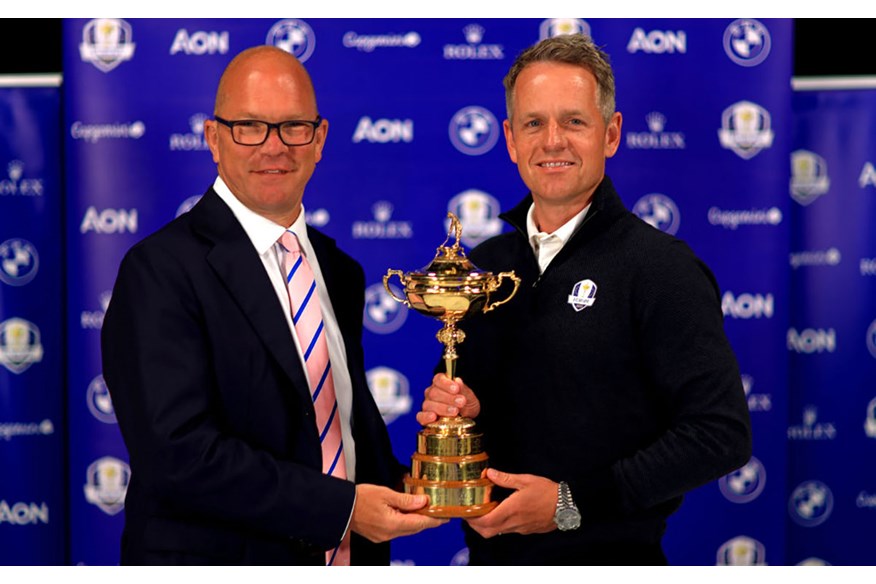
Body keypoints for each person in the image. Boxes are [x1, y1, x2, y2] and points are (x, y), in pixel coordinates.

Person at [101, 45, 444, 566]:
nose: (274, 146)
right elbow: (179, 454)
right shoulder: (160, 270)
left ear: (320, 138)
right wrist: (344, 509)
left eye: (293, 127)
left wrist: (422, 479)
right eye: (250, 127)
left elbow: (336, 427)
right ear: (214, 138)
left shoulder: (339, 269)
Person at [416, 33, 752, 565]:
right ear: (509, 138)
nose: (552, 141)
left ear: (610, 133)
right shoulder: (484, 266)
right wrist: (464, 412)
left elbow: (720, 434)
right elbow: (476, 404)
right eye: (533, 123)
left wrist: (571, 503)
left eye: (573, 121)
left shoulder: (662, 267)